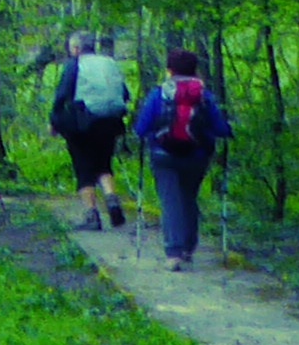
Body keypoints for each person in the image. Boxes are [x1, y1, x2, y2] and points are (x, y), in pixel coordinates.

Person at [132, 45, 233, 271]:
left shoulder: (159, 94)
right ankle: (188, 247)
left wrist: (149, 135)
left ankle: (174, 253)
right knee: (188, 197)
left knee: (170, 200)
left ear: (169, 70)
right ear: (195, 70)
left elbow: (141, 128)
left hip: (163, 155)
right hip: (197, 155)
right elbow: (220, 128)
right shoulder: (204, 96)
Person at [48, 33, 132, 231]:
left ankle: (91, 215)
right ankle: (111, 199)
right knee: (104, 165)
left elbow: (62, 95)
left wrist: (54, 122)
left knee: (84, 168)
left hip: (83, 123)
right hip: (110, 122)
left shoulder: (75, 64)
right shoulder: (109, 63)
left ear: (77, 48)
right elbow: (125, 94)